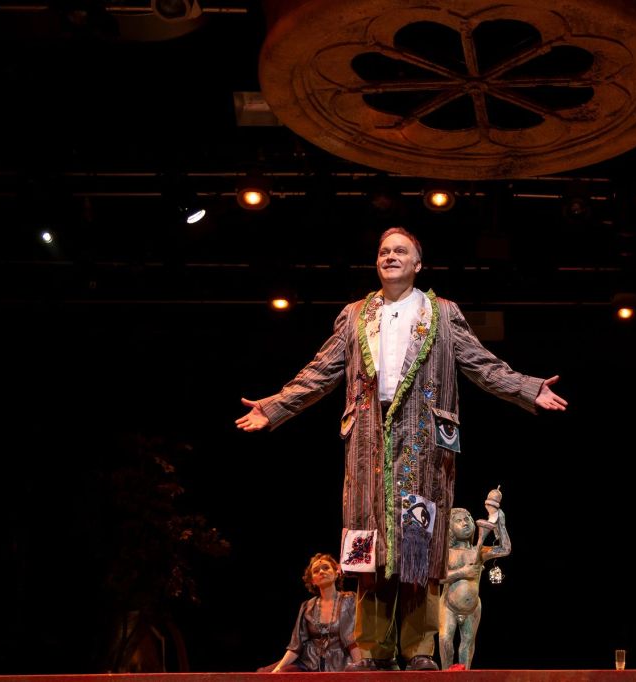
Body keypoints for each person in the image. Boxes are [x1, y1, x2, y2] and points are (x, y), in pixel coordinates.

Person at [236, 227, 567, 670]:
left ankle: (418, 650)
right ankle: (373, 650)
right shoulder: (355, 314)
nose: (390, 256)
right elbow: (319, 372)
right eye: (384, 251)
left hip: (422, 439)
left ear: (417, 264)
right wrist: (275, 406)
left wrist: (527, 388)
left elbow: (481, 363)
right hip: (368, 438)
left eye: (400, 251)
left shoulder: (441, 313)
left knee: (419, 543)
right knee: (366, 545)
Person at [259, 553, 363, 672]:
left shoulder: (348, 600)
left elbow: (351, 641)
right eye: (316, 571)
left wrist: (359, 669)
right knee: (265, 673)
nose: (321, 572)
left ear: (336, 574)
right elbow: (296, 646)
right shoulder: (307, 606)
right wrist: (277, 669)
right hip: (309, 663)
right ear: (313, 581)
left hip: (339, 664)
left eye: (326, 568)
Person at [438, 503, 511, 670]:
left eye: (468, 519)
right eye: (458, 521)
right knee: (445, 639)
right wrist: (462, 572)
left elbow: (505, 549)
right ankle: (445, 676)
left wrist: (501, 523)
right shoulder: (446, 553)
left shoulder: (479, 551)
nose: (465, 523)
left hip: (472, 607)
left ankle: (464, 676)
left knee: (467, 643)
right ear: (450, 529)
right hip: (448, 606)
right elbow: (438, 579)